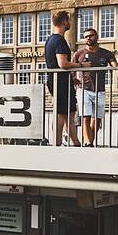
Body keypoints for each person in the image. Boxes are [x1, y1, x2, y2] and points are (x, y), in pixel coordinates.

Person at [72, 27, 118, 147]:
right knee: (86, 117)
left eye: (91, 35)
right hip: (84, 89)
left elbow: (116, 66)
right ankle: (88, 143)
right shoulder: (78, 53)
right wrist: (73, 79)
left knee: (97, 120)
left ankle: (90, 142)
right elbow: (71, 70)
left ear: (97, 37)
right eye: (86, 36)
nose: (88, 38)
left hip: (100, 91)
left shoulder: (106, 53)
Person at [44, 10, 81, 147]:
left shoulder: (50, 39)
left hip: (60, 80)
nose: (70, 23)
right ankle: (57, 143)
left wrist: (71, 77)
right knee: (61, 114)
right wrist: (81, 65)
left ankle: (75, 142)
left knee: (68, 113)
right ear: (65, 22)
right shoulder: (59, 40)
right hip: (59, 82)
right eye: (69, 20)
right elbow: (62, 64)